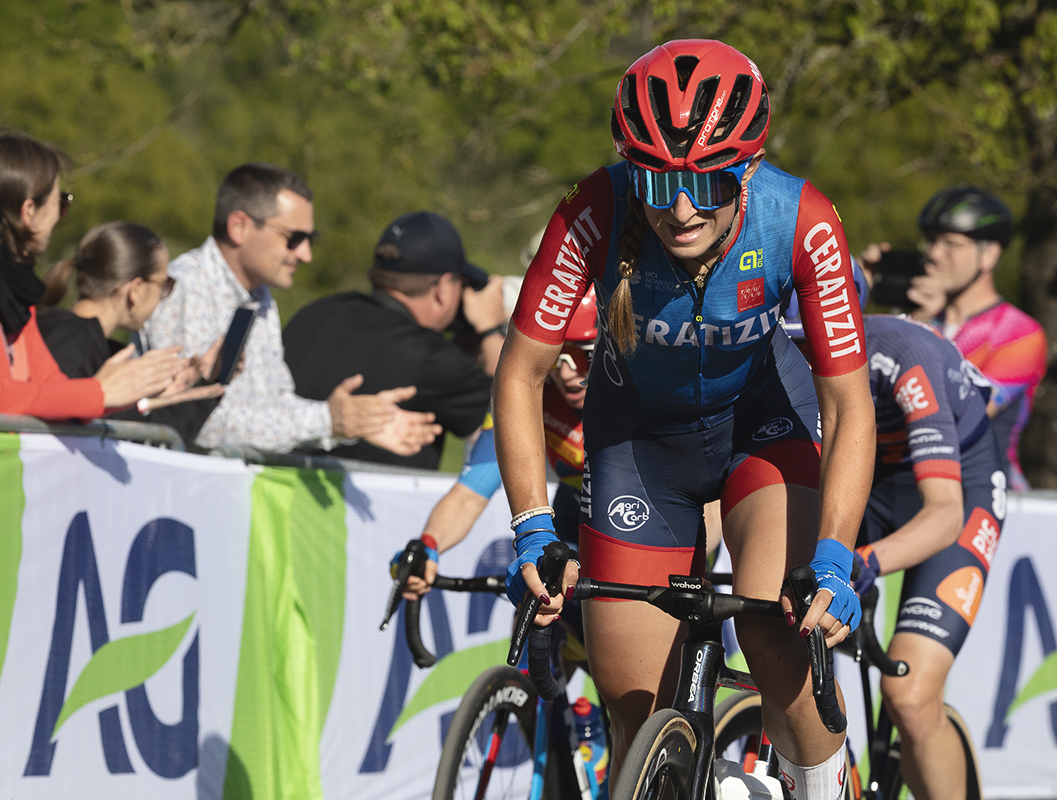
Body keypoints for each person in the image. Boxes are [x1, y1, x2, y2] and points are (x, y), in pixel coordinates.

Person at [495, 40, 876, 798]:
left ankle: (823, 782)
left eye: (706, 181)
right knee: (635, 718)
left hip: (761, 433)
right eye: (658, 179)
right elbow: (520, 374)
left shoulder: (800, 218)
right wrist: (533, 526)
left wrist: (835, 554)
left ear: (748, 167)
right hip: (638, 450)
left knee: (775, 631)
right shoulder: (592, 210)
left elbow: (847, 403)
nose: (680, 208)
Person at [785, 264, 1004, 800]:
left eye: (809, 344)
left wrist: (867, 562)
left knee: (908, 692)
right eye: (788, 344)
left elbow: (945, 514)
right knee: (783, 650)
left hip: (954, 490)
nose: (800, 359)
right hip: (862, 477)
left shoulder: (904, 354)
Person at [143, 163, 441, 457]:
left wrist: (357, 421)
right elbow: (199, 423)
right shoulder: (186, 287)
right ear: (239, 227)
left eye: (311, 239)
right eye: (294, 238)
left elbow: (276, 405)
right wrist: (327, 421)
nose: (306, 254)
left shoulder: (259, 296)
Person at [0, 132, 184, 419]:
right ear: (29, 211)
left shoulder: (8, 281)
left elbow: (52, 386)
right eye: (61, 203)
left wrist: (138, 388)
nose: (60, 216)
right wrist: (99, 392)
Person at [396, 287, 598, 599]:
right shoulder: (531, 395)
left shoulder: (640, 393)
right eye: (557, 355)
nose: (567, 372)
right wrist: (427, 546)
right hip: (572, 520)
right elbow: (470, 493)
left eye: (584, 354)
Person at [282, 211, 504, 469]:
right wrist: (490, 330)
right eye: (461, 286)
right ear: (443, 288)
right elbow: (510, 419)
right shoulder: (429, 356)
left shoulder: (315, 314)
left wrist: (461, 352)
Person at [864, 184, 1046, 490]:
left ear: (989, 254)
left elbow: (960, 412)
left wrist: (920, 332)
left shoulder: (1020, 333)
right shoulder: (918, 316)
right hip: (901, 486)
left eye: (951, 244)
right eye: (932, 241)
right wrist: (853, 292)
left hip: (985, 491)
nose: (934, 254)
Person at [37, 221, 226, 446]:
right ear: (135, 290)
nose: (163, 296)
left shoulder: (76, 337)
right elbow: (103, 433)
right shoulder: (70, 342)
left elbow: (127, 428)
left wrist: (166, 395)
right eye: (164, 284)